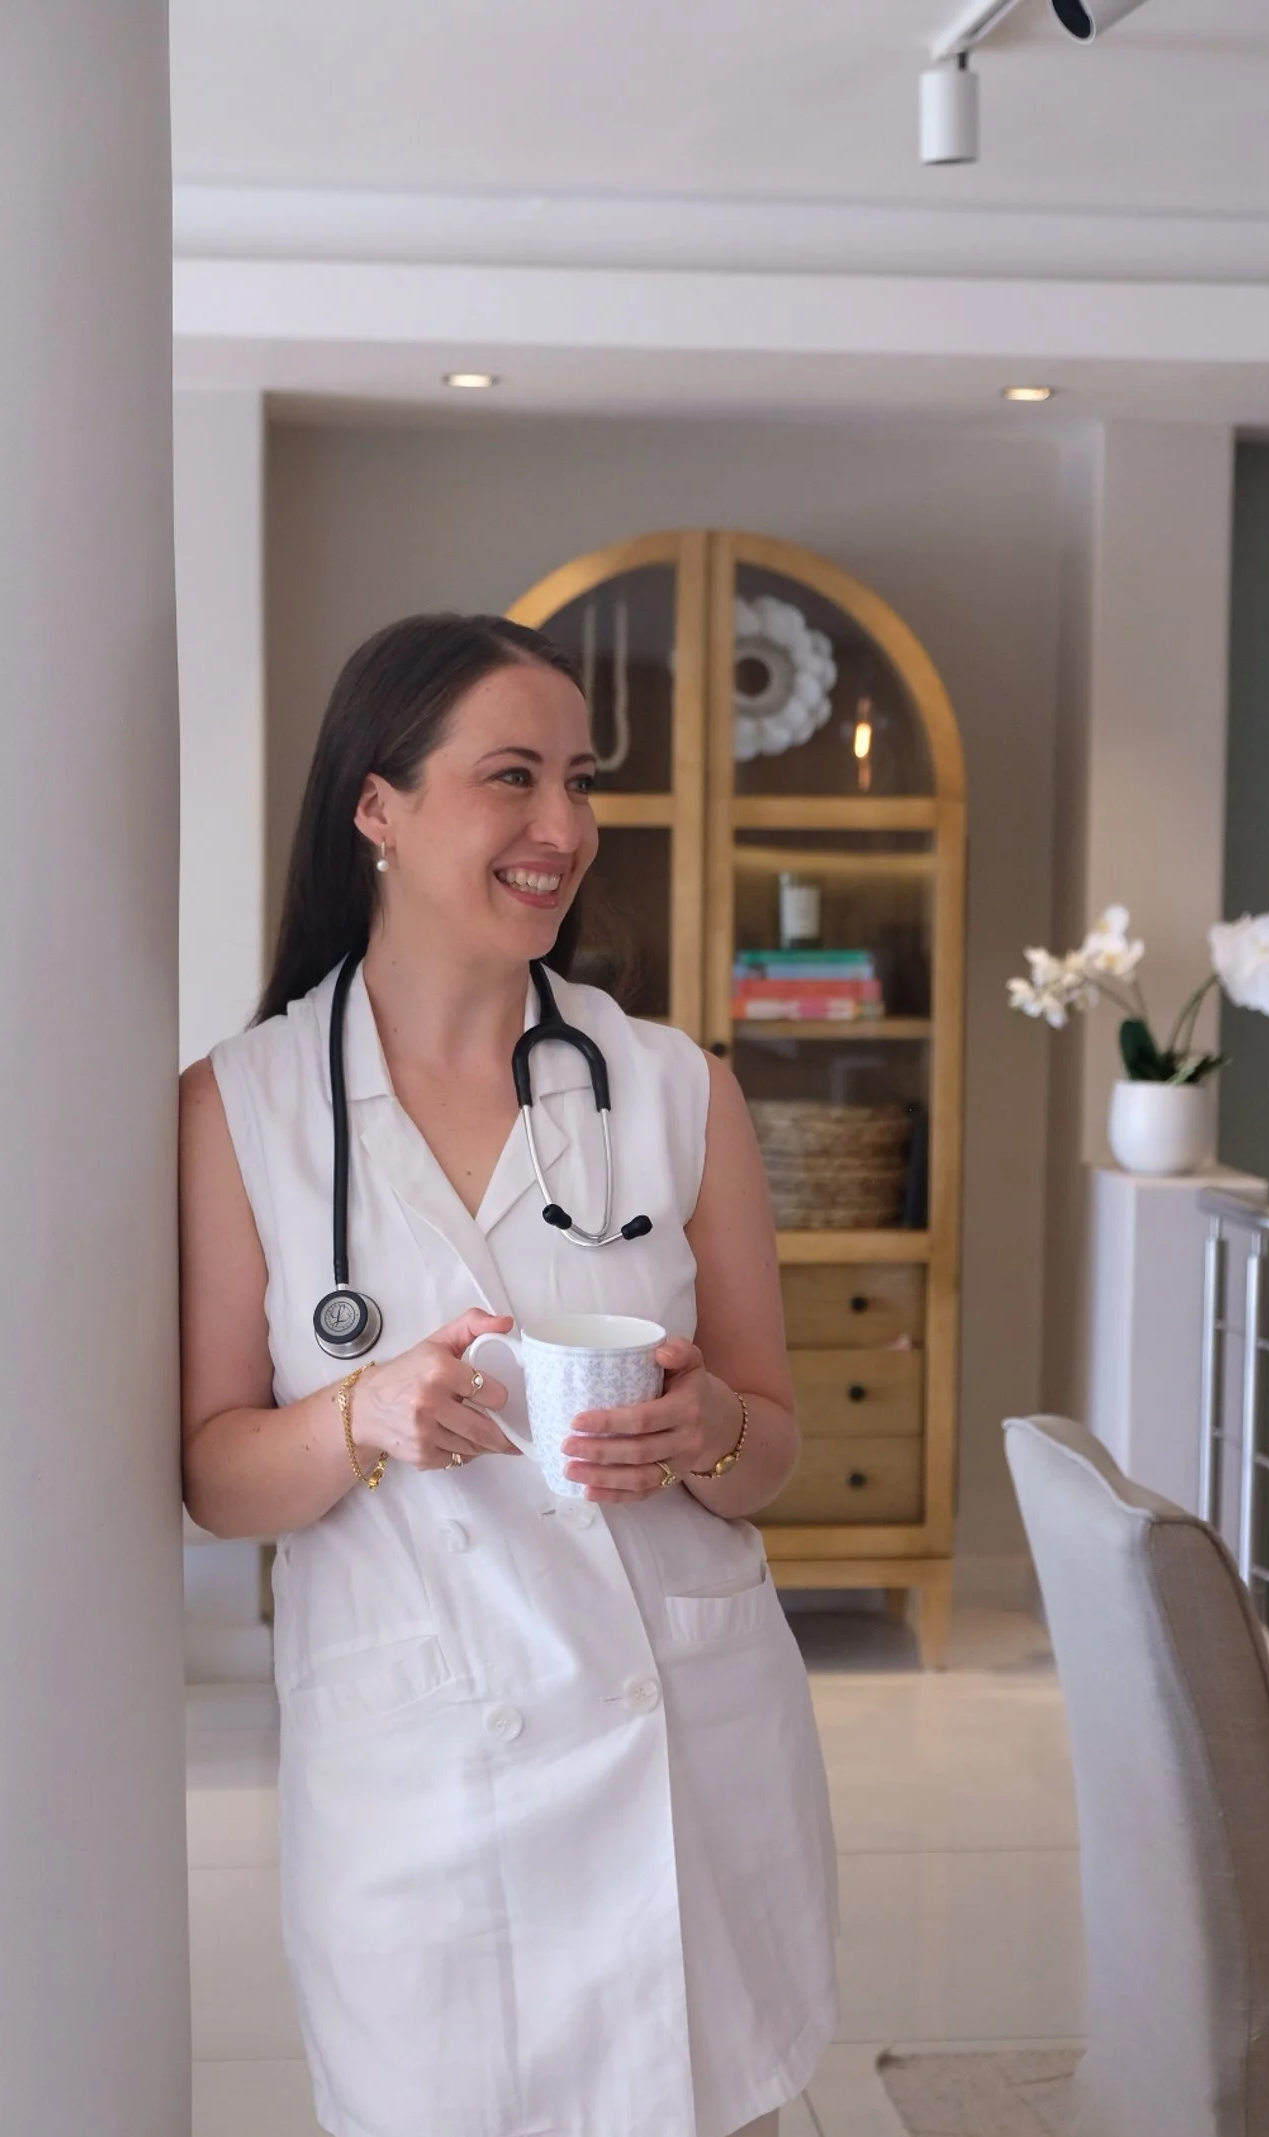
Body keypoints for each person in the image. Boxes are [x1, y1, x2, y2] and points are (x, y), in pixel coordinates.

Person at [179, 613, 838, 2137]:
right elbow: (214, 1475)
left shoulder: (677, 1091)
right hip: (422, 1780)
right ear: (378, 807)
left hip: (680, 1759)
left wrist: (708, 1428)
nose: (564, 828)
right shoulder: (243, 1111)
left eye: (580, 781)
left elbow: (772, 1450)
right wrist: (363, 1413)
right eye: (513, 778)